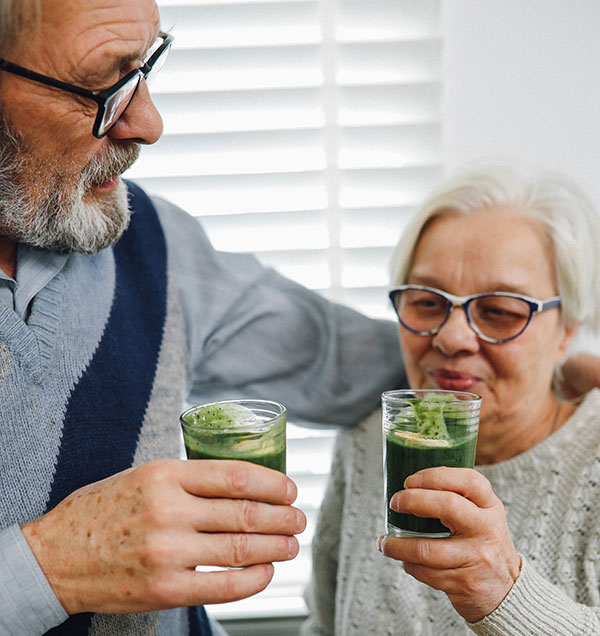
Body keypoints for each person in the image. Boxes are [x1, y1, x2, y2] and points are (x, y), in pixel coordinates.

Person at [0, 3, 598, 636]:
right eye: (105, 84)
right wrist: (49, 568)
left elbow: (360, 358)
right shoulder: (371, 451)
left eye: (148, 65)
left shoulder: (157, 247)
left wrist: (560, 362)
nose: (149, 122)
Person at [300, 164, 600, 636]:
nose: (452, 336)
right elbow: (323, 625)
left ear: (567, 333)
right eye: (427, 301)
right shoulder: (366, 438)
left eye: (499, 311)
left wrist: (504, 594)